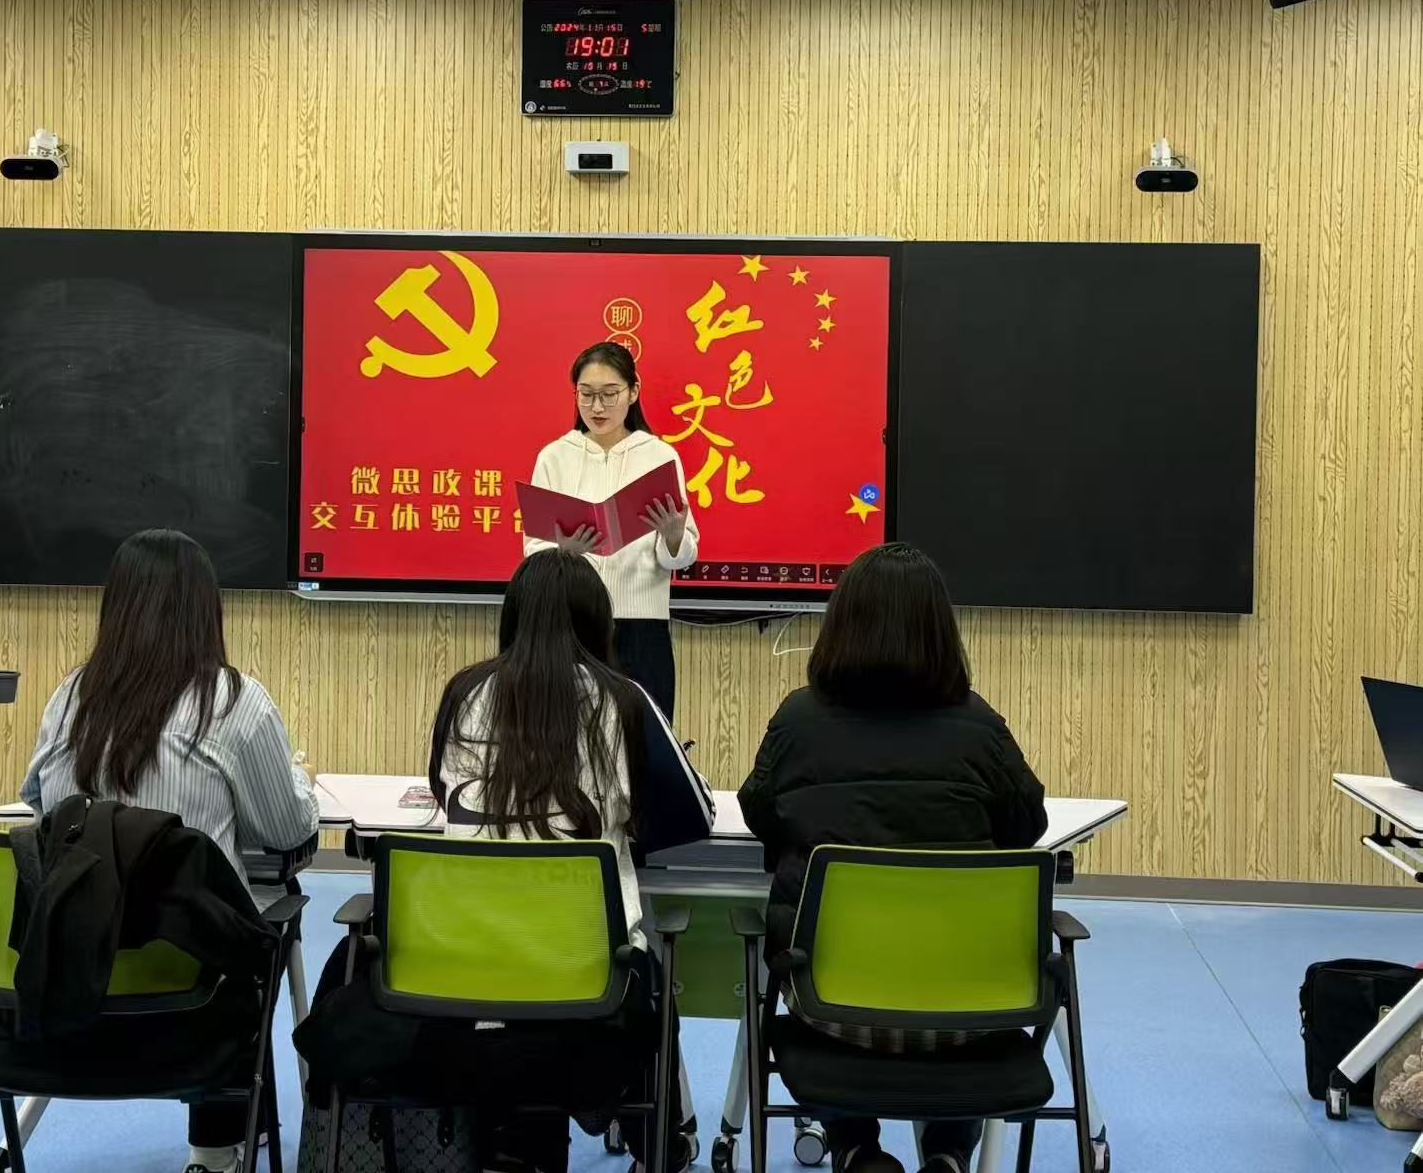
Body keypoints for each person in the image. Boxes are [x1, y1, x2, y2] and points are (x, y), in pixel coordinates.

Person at [295, 550, 713, 1173]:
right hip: (586, 985)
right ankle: (657, 1141)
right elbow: (693, 814)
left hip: (455, 978)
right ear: (601, 624)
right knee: (647, 973)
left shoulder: (465, 692)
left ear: (510, 617)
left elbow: (445, 794)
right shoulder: (623, 700)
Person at [738, 543, 1048, 1173]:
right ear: (940, 630)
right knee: (956, 1009)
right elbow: (1027, 826)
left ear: (841, 624)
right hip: (970, 1006)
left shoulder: (799, 721)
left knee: (810, 977)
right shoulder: (980, 726)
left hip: (829, 1006)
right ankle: (947, 1154)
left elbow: (759, 812)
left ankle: (855, 1149)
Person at [20, 528, 319, 1173]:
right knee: (265, 912)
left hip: (77, 968)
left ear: (116, 605)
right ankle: (214, 1146)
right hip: (195, 985)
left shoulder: (70, 698)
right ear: (206, 609)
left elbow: (40, 812)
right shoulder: (233, 702)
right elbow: (287, 832)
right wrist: (299, 785)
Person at [524, 342, 697, 721]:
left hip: (642, 627)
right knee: (568, 734)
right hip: (571, 625)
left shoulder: (659, 456)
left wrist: (673, 536)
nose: (597, 407)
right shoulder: (554, 457)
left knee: (644, 736)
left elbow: (683, 555)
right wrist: (562, 552)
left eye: (609, 394)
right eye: (586, 395)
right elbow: (533, 549)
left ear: (633, 392)